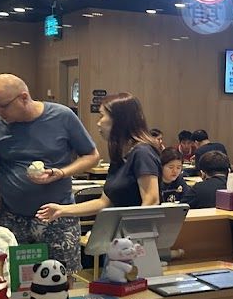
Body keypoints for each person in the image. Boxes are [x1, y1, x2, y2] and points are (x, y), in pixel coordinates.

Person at [0, 74, 100, 272]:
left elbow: (92, 156)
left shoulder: (63, 117)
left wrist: (61, 172)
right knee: (13, 278)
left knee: (62, 277)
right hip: (10, 217)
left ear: (24, 97)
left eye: (2, 106)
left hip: (58, 216)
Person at [36, 93, 161, 225]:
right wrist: (61, 210)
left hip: (137, 239)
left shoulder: (142, 152)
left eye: (102, 116)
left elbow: (151, 201)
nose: (98, 123)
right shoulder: (120, 154)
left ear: (119, 120)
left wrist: (129, 232)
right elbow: (104, 203)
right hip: (123, 237)